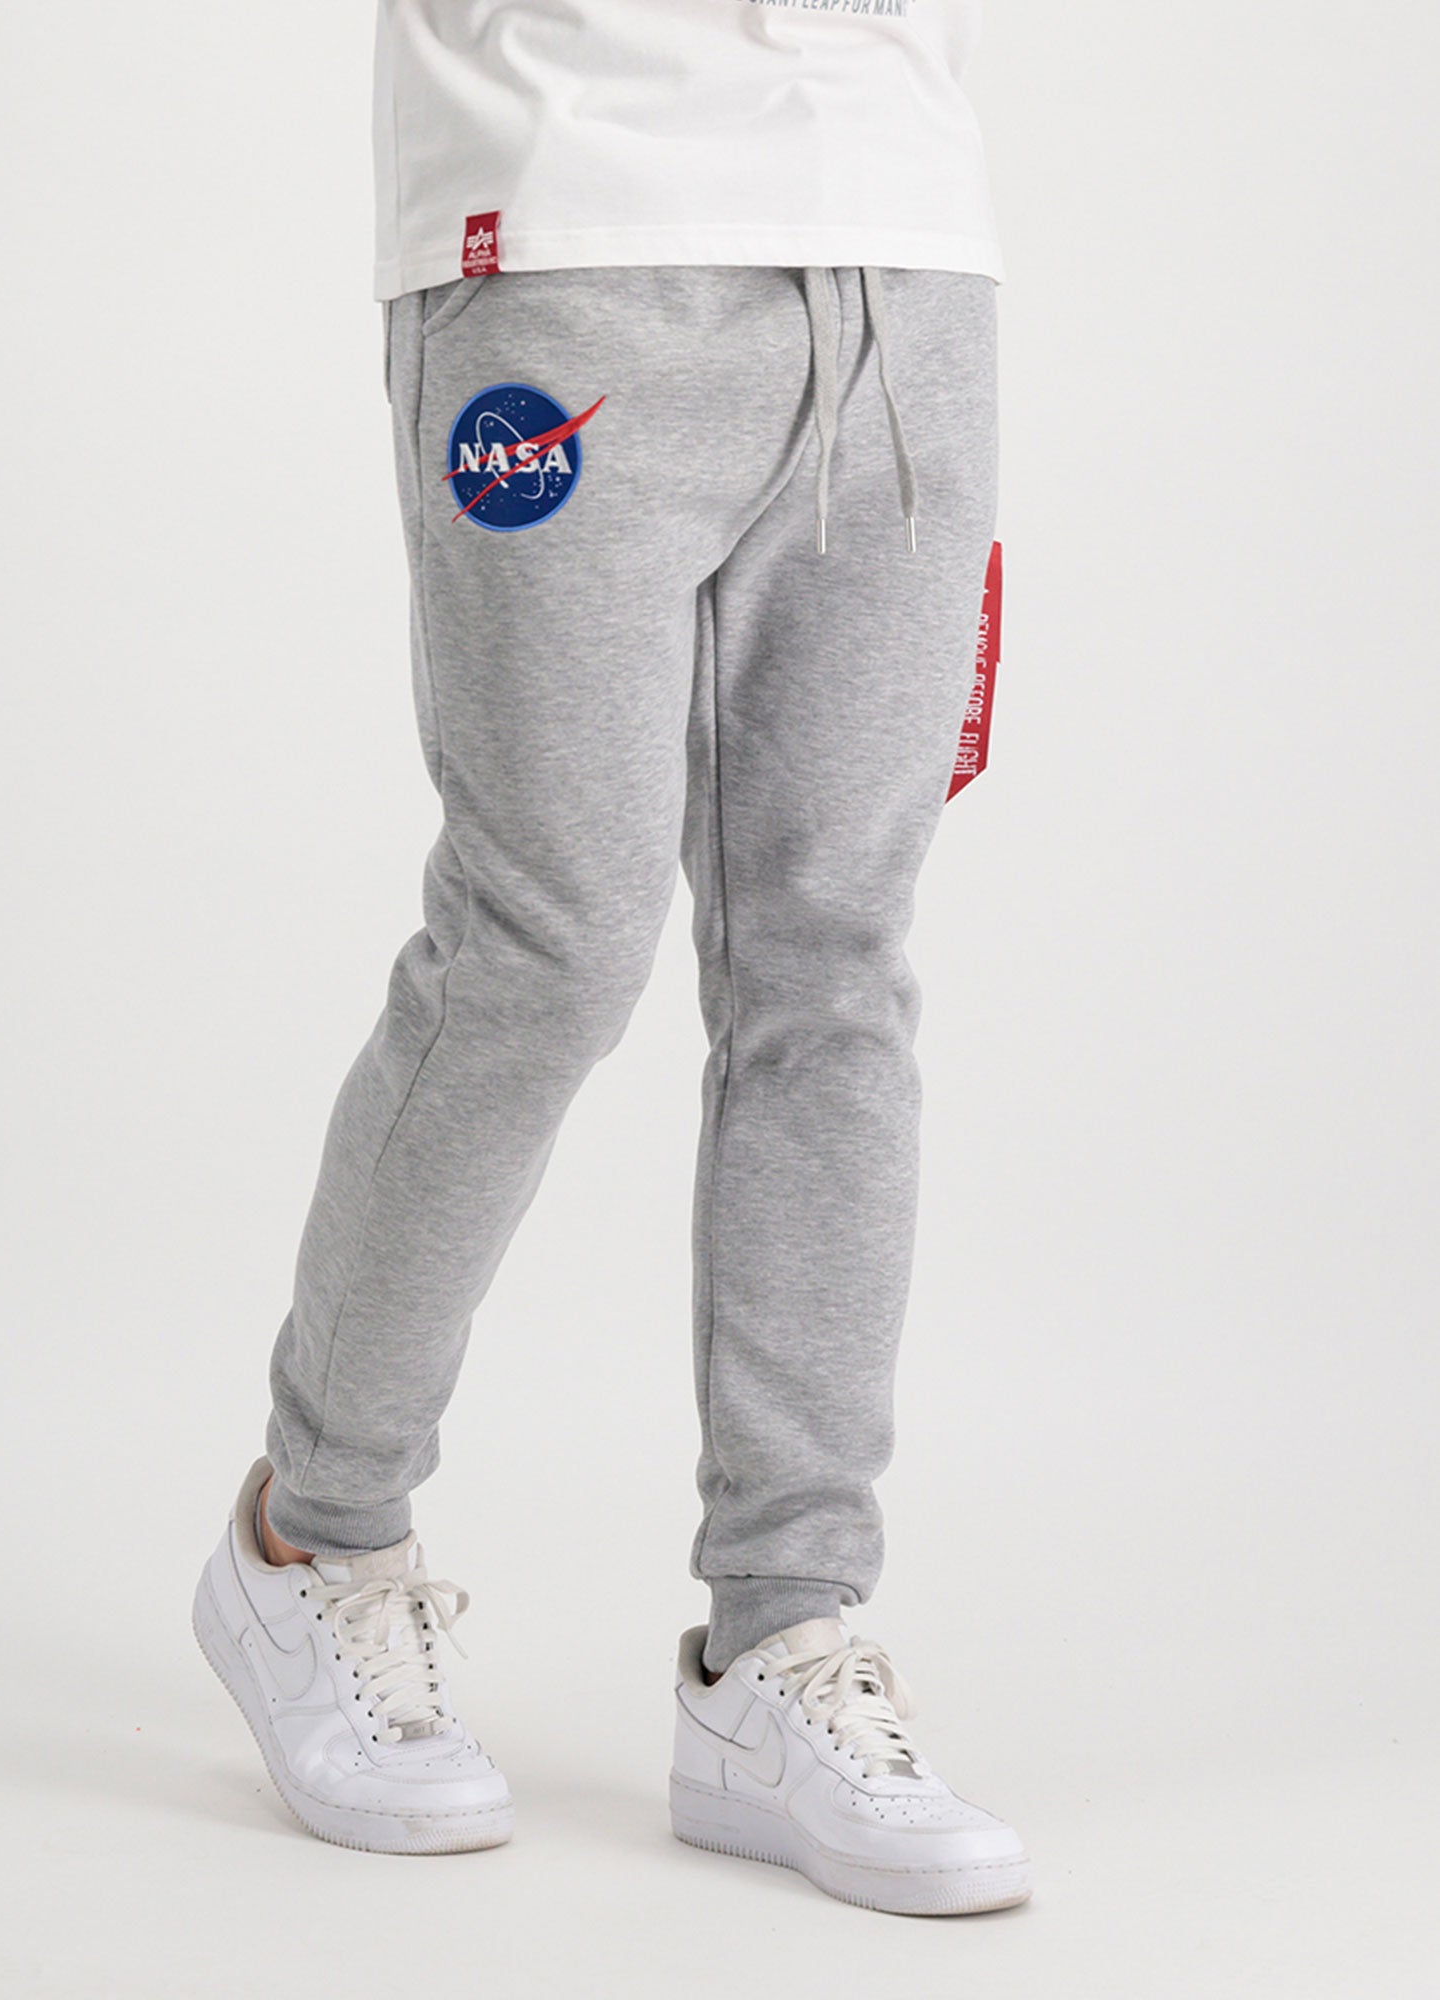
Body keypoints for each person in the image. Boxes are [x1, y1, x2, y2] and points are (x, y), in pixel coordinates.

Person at [193, 0, 1031, 1914]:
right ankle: (314, 1538)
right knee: (545, 944)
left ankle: (782, 1635)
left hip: (902, 257)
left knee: (835, 967)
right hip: (562, 226)